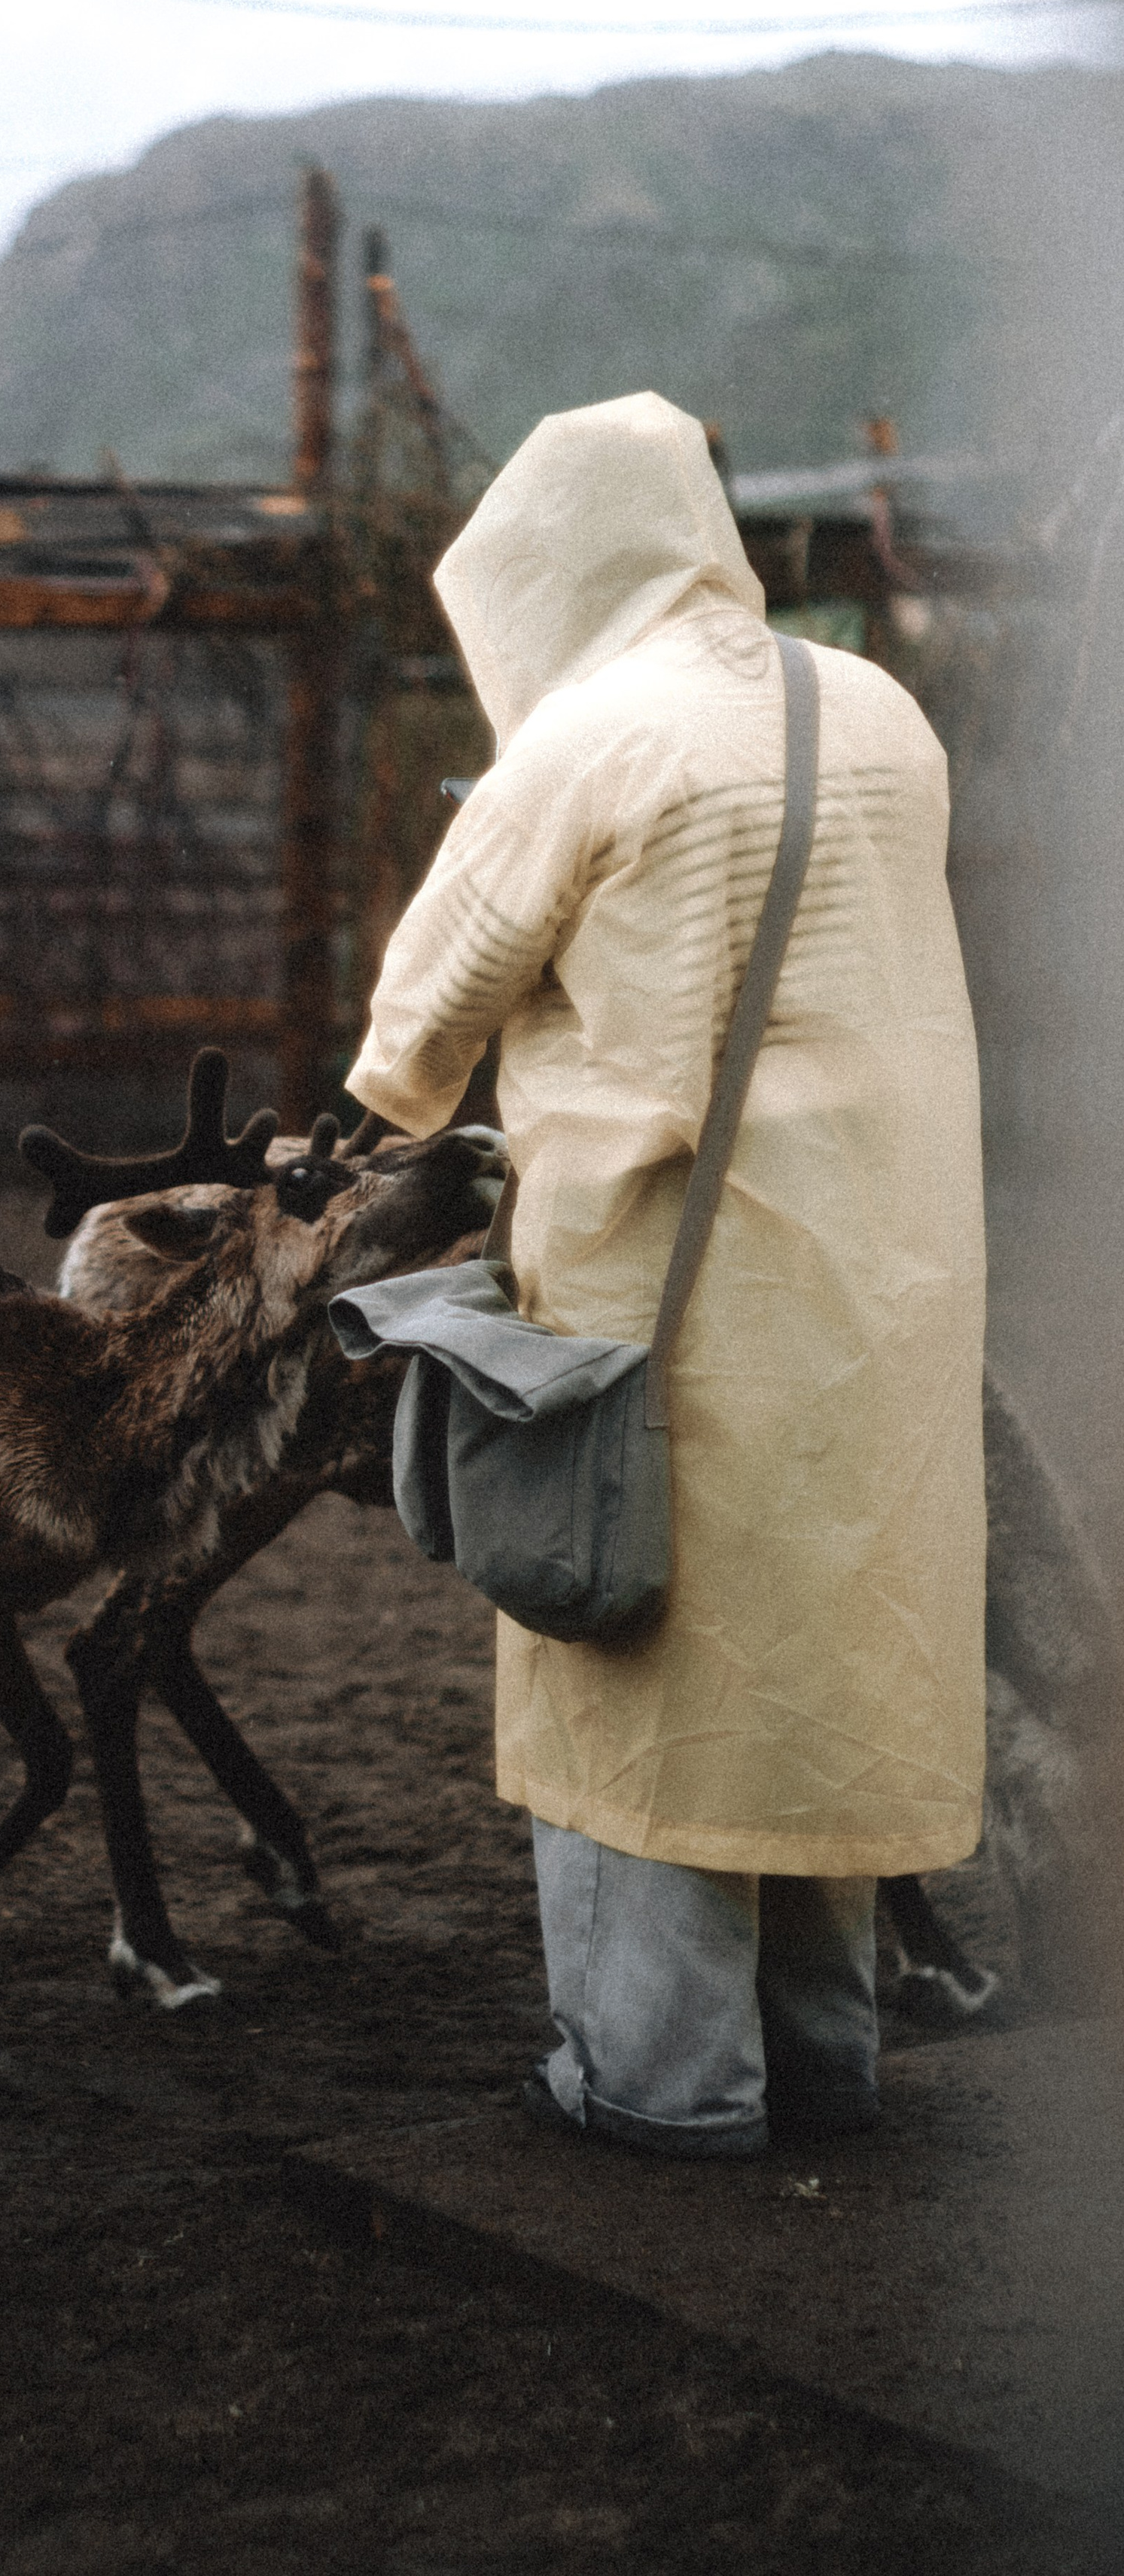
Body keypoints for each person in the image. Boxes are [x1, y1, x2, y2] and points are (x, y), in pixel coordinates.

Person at [345, 391, 985, 2158]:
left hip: (655, 1306)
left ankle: (660, 2079)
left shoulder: (587, 738)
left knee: (642, 1679)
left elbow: (416, 1025)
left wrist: (376, 1118)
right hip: (875, 1289)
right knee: (815, 1668)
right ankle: (821, 2059)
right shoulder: (877, 711)